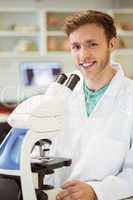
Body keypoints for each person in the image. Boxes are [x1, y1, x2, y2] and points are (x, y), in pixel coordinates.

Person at [45, 10, 133, 200]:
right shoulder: (60, 91)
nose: (83, 55)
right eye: (76, 46)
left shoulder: (130, 96)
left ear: (112, 44)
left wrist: (96, 191)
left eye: (92, 45)